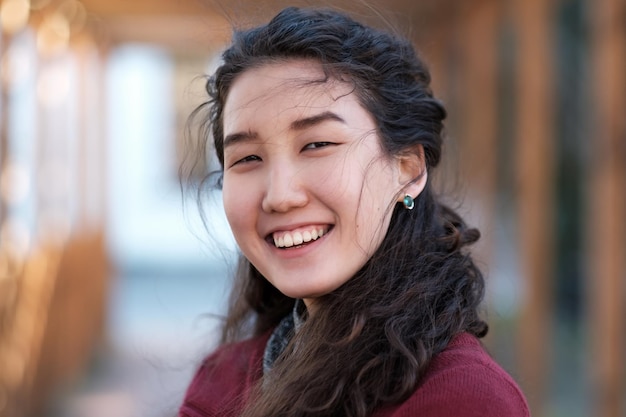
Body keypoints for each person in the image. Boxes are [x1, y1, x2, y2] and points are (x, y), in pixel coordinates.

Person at [179, 6, 529, 417]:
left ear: (408, 169)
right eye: (248, 158)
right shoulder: (220, 382)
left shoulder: (461, 397)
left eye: (317, 145)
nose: (280, 196)